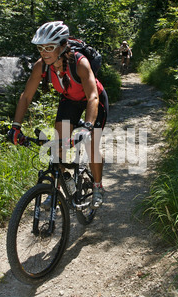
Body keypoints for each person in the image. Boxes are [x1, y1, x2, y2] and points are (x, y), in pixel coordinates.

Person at [8, 21, 109, 209]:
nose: (44, 52)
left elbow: (93, 96)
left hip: (93, 100)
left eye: (49, 47)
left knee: (91, 144)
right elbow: (26, 96)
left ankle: (97, 186)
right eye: (41, 48)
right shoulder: (42, 66)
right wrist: (16, 126)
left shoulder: (80, 63)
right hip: (69, 100)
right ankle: (59, 187)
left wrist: (87, 127)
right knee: (58, 145)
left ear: (62, 46)